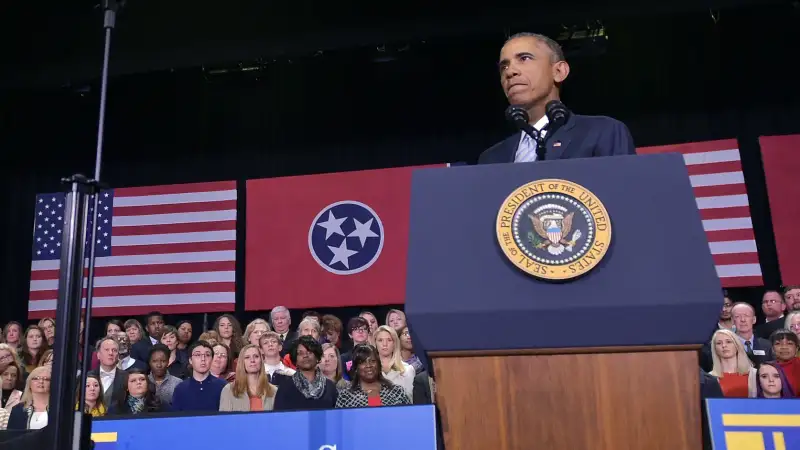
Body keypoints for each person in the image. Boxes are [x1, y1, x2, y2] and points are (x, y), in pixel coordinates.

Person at [478, 32, 635, 164]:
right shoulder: (491, 158)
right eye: (504, 66)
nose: (510, 71)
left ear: (559, 71)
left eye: (524, 58)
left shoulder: (603, 133)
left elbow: (622, 193)